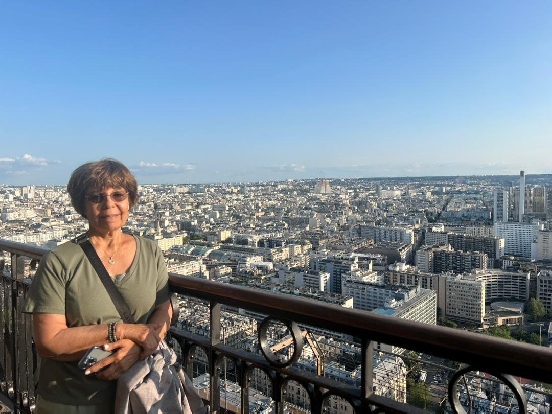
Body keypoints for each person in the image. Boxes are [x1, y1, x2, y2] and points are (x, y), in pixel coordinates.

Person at [23, 158, 173, 414]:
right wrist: (122, 331)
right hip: (73, 400)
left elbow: (164, 309)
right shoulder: (59, 260)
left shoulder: (151, 251)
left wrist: (138, 347)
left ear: (130, 200)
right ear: (82, 205)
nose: (109, 204)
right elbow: (48, 341)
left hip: (139, 395)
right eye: (96, 197)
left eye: (118, 194)